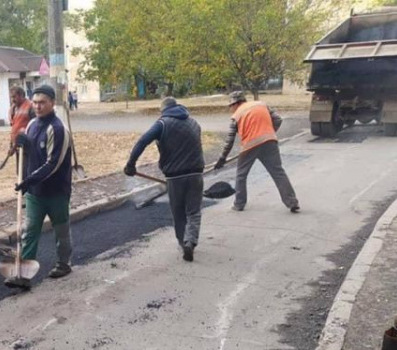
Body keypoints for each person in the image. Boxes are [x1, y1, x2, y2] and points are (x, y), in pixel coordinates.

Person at [124, 97, 205, 262]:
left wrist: (131, 164)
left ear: (163, 110)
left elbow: (142, 141)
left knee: (178, 212)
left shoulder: (162, 123)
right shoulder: (194, 123)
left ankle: (184, 243)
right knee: (194, 212)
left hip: (175, 176)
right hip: (196, 173)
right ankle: (191, 241)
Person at [13, 84, 73, 284]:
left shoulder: (57, 129)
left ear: (52, 103)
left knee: (61, 231)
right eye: (35, 103)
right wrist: (21, 143)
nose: (37, 107)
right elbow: (28, 156)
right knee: (29, 232)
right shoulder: (31, 125)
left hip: (57, 192)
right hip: (35, 193)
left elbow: (53, 164)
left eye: (42, 103)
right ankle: (24, 274)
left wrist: (29, 179)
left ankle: (64, 264)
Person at [215, 90, 300, 213]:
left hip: (250, 145)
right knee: (278, 172)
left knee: (241, 175)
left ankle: (239, 204)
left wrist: (222, 158)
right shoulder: (261, 104)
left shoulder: (236, 115)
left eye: (230, 106)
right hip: (270, 141)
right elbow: (278, 120)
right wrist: (268, 133)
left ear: (235, 104)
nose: (231, 109)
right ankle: (292, 202)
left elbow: (229, 141)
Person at [8, 86, 34, 160]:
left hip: (28, 146)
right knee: (20, 170)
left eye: (14, 97)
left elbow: (35, 127)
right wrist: (11, 145)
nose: (12, 100)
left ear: (22, 96)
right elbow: (14, 128)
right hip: (17, 145)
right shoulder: (13, 109)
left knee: (26, 169)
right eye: (11, 97)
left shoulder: (31, 106)